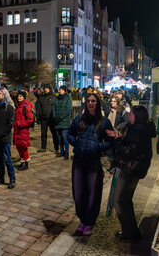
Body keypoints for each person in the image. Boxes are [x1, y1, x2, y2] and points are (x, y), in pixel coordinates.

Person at [106, 105, 156, 242]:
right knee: (126, 200)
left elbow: (127, 151)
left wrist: (117, 140)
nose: (129, 116)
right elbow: (132, 147)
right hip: (136, 168)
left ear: (137, 116)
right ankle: (132, 231)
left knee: (119, 200)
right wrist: (120, 136)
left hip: (130, 169)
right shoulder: (143, 129)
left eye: (131, 114)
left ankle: (129, 234)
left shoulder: (137, 131)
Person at [67, 93, 114, 236]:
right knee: (79, 193)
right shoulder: (79, 119)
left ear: (97, 103)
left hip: (93, 162)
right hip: (79, 161)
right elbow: (69, 134)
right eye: (88, 101)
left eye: (93, 101)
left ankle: (90, 221)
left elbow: (110, 141)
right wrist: (77, 144)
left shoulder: (104, 121)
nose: (90, 103)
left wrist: (97, 147)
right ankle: (82, 219)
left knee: (93, 193)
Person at [0, 87, 16, 189]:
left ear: (4, 95)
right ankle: (1, 178)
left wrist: (1, 133)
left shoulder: (9, 108)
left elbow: (10, 125)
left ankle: (12, 179)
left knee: (7, 158)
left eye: (0, 93)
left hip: (5, 138)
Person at [14, 91, 34, 171]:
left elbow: (30, 119)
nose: (19, 97)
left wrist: (21, 124)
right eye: (18, 96)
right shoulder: (18, 106)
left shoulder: (26, 106)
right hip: (17, 130)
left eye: (21, 96)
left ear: (24, 97)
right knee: (19, 146)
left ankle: (26, 163)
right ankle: (22, 162)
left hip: (23, 130)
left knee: (24, 147)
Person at [52, 85, 72, 160]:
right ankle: (61, 151)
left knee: (64, 137)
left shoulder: (68, 99)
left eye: (62, 90)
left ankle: (66, 152)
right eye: (60, 89)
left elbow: (68, 110)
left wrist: (60, 117)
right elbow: (53, 108)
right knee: (59, 137)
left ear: (65, 91)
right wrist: (54, 116)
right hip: (57, 121)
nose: (60, 91)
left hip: (64, 121)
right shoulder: (57, 99)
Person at [37, 84, 59, 153]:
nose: (45, 89)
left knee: (54, 133)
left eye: (47, 88)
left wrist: (56, 117)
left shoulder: (54, 97)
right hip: (43, 118)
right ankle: (43, 147)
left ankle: (56, 148)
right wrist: (38, 117)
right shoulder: (41, 97)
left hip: (52, 119)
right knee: (43, 133)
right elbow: (39, 108)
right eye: (45, 88)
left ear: (50, 89)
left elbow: (56, 108)